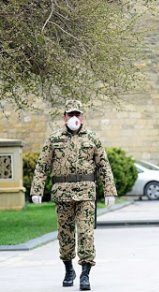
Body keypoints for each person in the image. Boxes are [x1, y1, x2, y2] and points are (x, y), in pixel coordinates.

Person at [30, 100, 117, 291]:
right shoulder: (54, 139)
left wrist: (109, 190)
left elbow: (104, 166)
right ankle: (69, 269)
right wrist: (36, 189)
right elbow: (42, 166)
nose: (74, 118)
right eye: (71, 114)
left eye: (78, 114)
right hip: (62, 194)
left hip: (86, 194)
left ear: (82, 117)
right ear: (64, 117)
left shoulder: (92, 138)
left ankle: (85, 274)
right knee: (65, 235)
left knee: (86, 233)